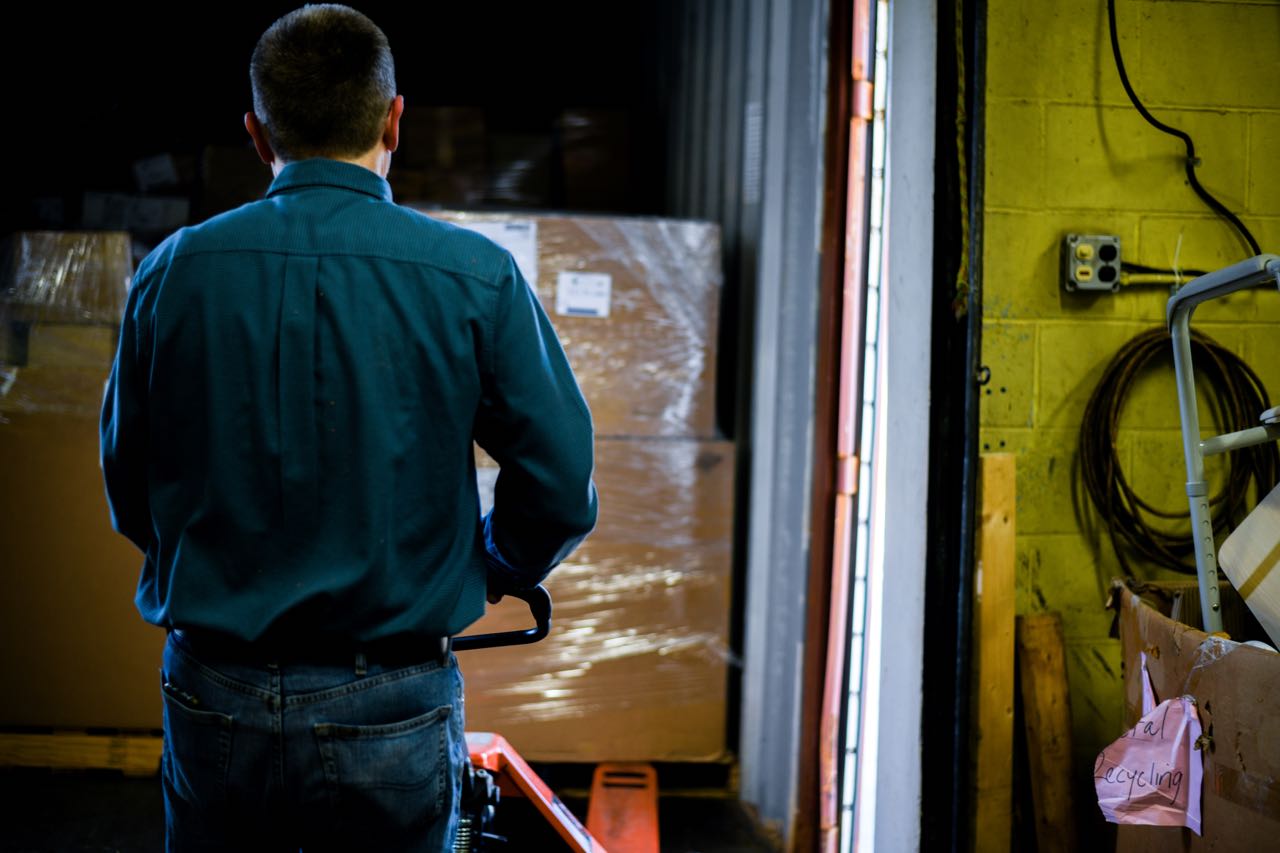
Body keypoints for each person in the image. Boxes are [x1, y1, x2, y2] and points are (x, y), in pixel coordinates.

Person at [99, 5, 598, 850]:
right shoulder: (475, 276)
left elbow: (130, 484)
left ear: (257, 135)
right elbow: (557, 484)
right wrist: (494, 560)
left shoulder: (171, 274)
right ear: (395, 118)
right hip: (392, 699)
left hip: (212, 690)